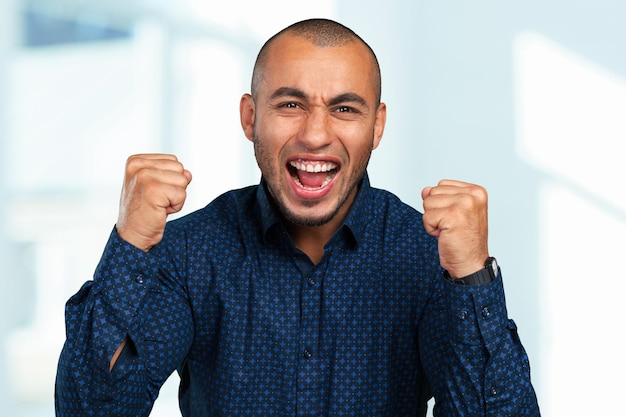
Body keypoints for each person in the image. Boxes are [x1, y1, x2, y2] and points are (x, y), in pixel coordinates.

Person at [55, 18, 540, 416]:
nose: (315, 134)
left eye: (344, 108)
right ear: (250, 118)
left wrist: (473, 278)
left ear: (377, 126)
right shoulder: (192, 251)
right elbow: (93, 409)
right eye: (290, 104)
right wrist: (130, 243)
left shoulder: (428, 256)